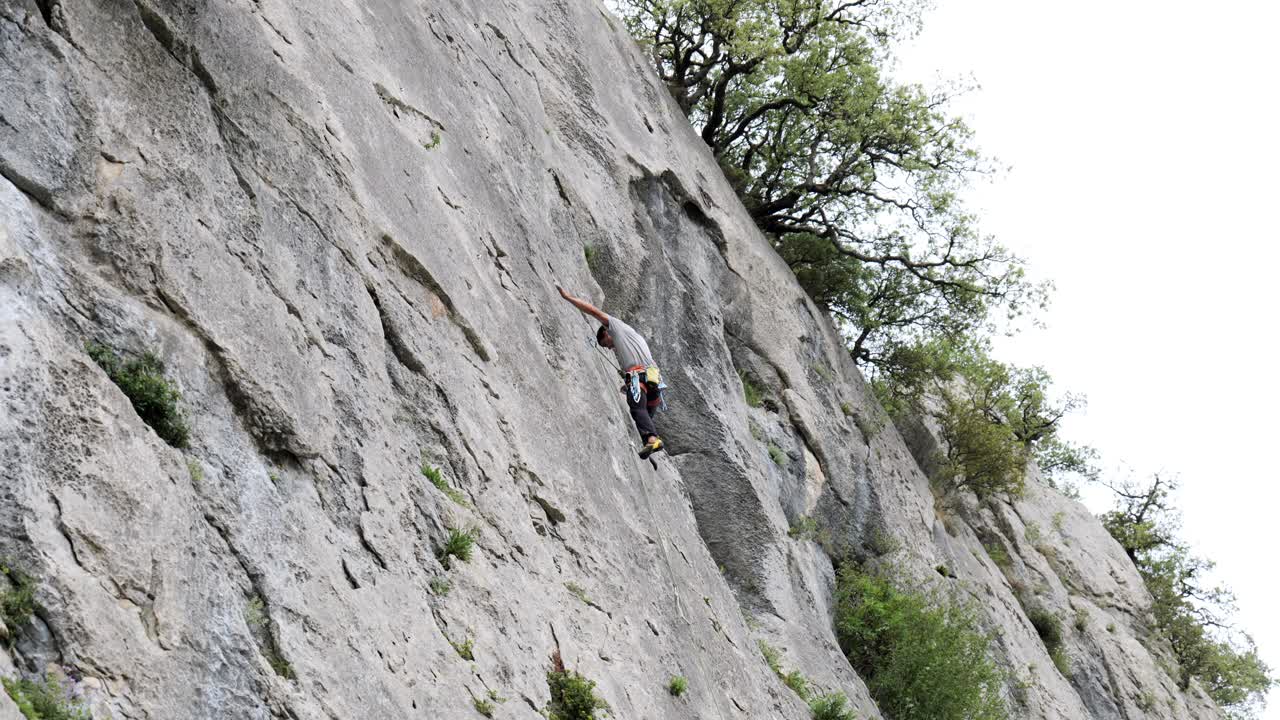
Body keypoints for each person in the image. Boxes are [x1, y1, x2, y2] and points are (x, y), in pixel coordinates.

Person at [557, 286, 665, 459]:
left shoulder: (616, 328)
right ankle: (649, 442)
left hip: (640, 378)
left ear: (607, 332)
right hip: (654, 380)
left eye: (606, 343)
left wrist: (568, 297)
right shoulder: (632, 337)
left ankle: (652, 439)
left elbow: (592, 311)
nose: (610, 347)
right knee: (645, 416)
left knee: (637, 409)